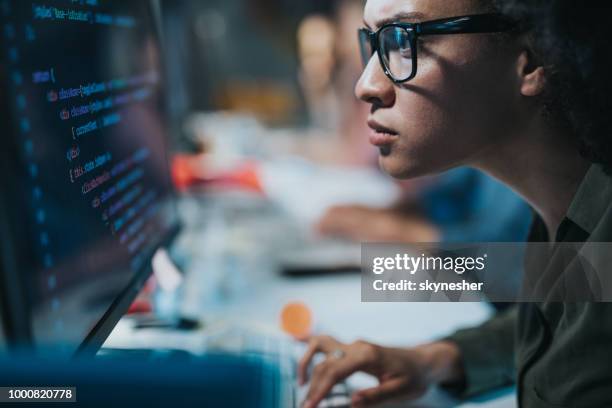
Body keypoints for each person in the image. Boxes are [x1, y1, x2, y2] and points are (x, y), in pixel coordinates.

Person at [299, 1, 612, 407]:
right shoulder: (562, 212)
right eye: (372, 44)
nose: (366, 85)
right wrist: (435, 360)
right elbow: (570, 314)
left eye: (405, 42)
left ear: (534, 59)